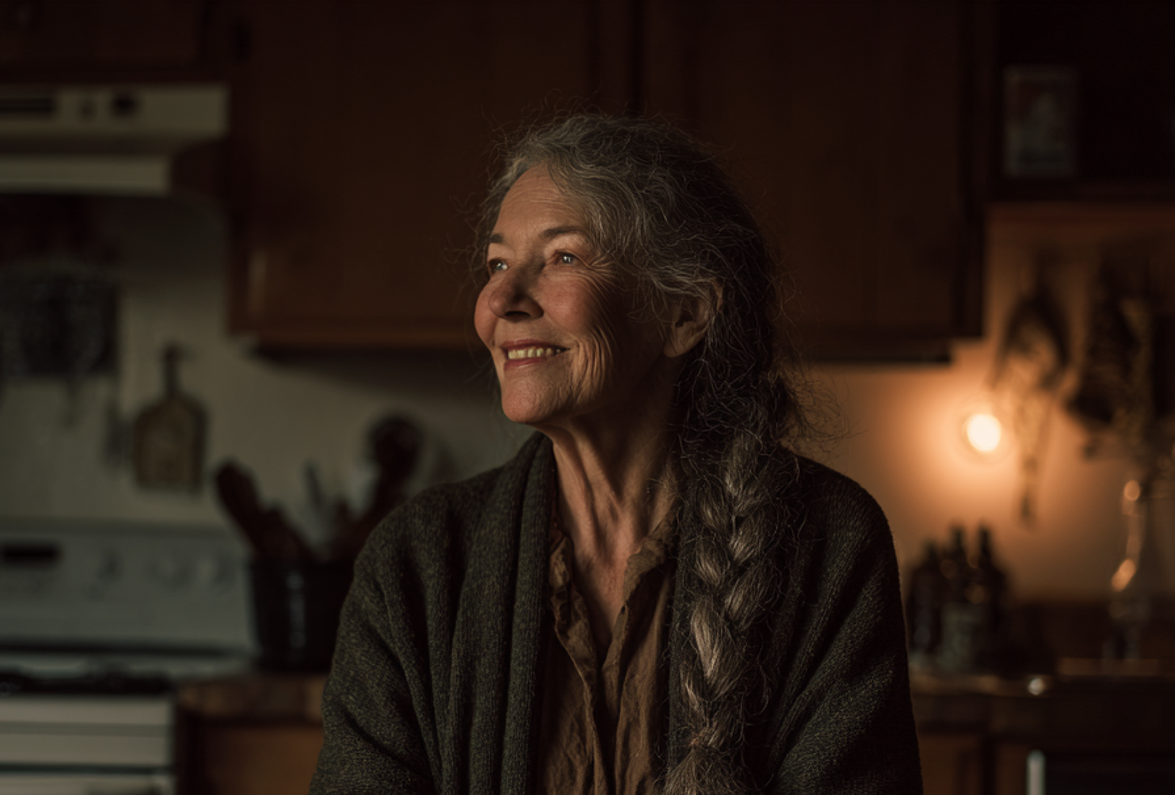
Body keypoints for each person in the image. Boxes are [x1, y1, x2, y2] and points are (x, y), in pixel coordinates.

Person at [309, 114, 921, 795]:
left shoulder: (828, 542)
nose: (500, 300)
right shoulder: (416, 563)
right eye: (497, 264)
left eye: (563, 258)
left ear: (685, 313)